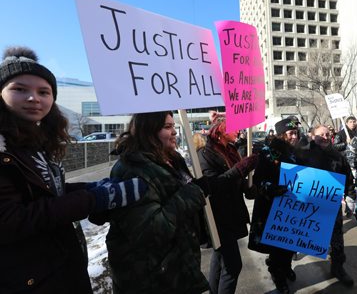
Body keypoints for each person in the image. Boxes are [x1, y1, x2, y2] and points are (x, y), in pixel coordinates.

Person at [0, 46, 146, 293]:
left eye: (43, 91)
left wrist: (91, 187)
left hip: (59, 268)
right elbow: (11, 220)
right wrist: (93, 199)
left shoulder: (36, 141)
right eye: (19, 89)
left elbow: (45, 194)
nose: (33, 98)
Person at [90, 111, 209, 294]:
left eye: (173, 126)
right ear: (148, 131)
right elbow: (151, 230)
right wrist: (191, 195)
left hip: (178, 270)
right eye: (167, 127)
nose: (175, 132)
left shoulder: (172, 159)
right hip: (152, 279)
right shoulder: (132, 169)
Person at [197, 117, 259, 294]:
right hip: (217, 217)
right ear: (220, 131)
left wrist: (249, 187)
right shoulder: (205, 154)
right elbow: (213, 186)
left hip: (232, 213)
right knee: (232, 266)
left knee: (219, 261)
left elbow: (235, 181)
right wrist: (241, 169)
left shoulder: (231, 149)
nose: (239, 131)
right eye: (236, 128)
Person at [295, 124, 355, 286]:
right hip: (307, 204)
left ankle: (338, 267)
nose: (326, 137)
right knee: (298, 231)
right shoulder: (302, 153)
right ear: (312, 135)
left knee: (336, 237)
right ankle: (287, 261)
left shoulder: (337, 155)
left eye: (328, 134)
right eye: (321, 134)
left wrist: (350, 197)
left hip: (331, 204)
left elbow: (347, 176)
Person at [248, 118, 298, 294]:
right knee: (278, 244)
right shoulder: (268, 152)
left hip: (291, 206)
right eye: (291, 133)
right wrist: (272, 188)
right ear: (282, 134)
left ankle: (286, 266)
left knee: (290, 241)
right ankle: (278, 274)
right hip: (272, 207)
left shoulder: (294, 152)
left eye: (296, 133)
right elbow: (258, 180)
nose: (294, 136)